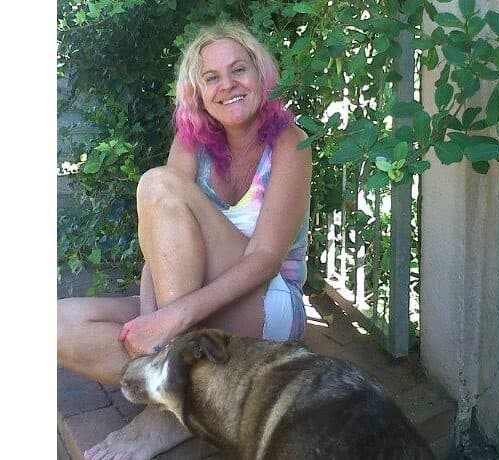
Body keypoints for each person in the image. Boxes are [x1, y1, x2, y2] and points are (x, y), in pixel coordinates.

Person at [57, 21, 312, 460]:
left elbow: (265, 259)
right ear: (198, 92)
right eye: (211, 77)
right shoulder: (192, 142)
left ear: (260, 74)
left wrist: (170, 322)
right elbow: (158, 242)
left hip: (266, 304)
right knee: (56, 326)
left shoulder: (292, 142)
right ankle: (195, 390)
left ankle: (168, 410)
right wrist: (152, 319)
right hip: (197, 308)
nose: (227, 85)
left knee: (158, 183)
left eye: (238, 69)